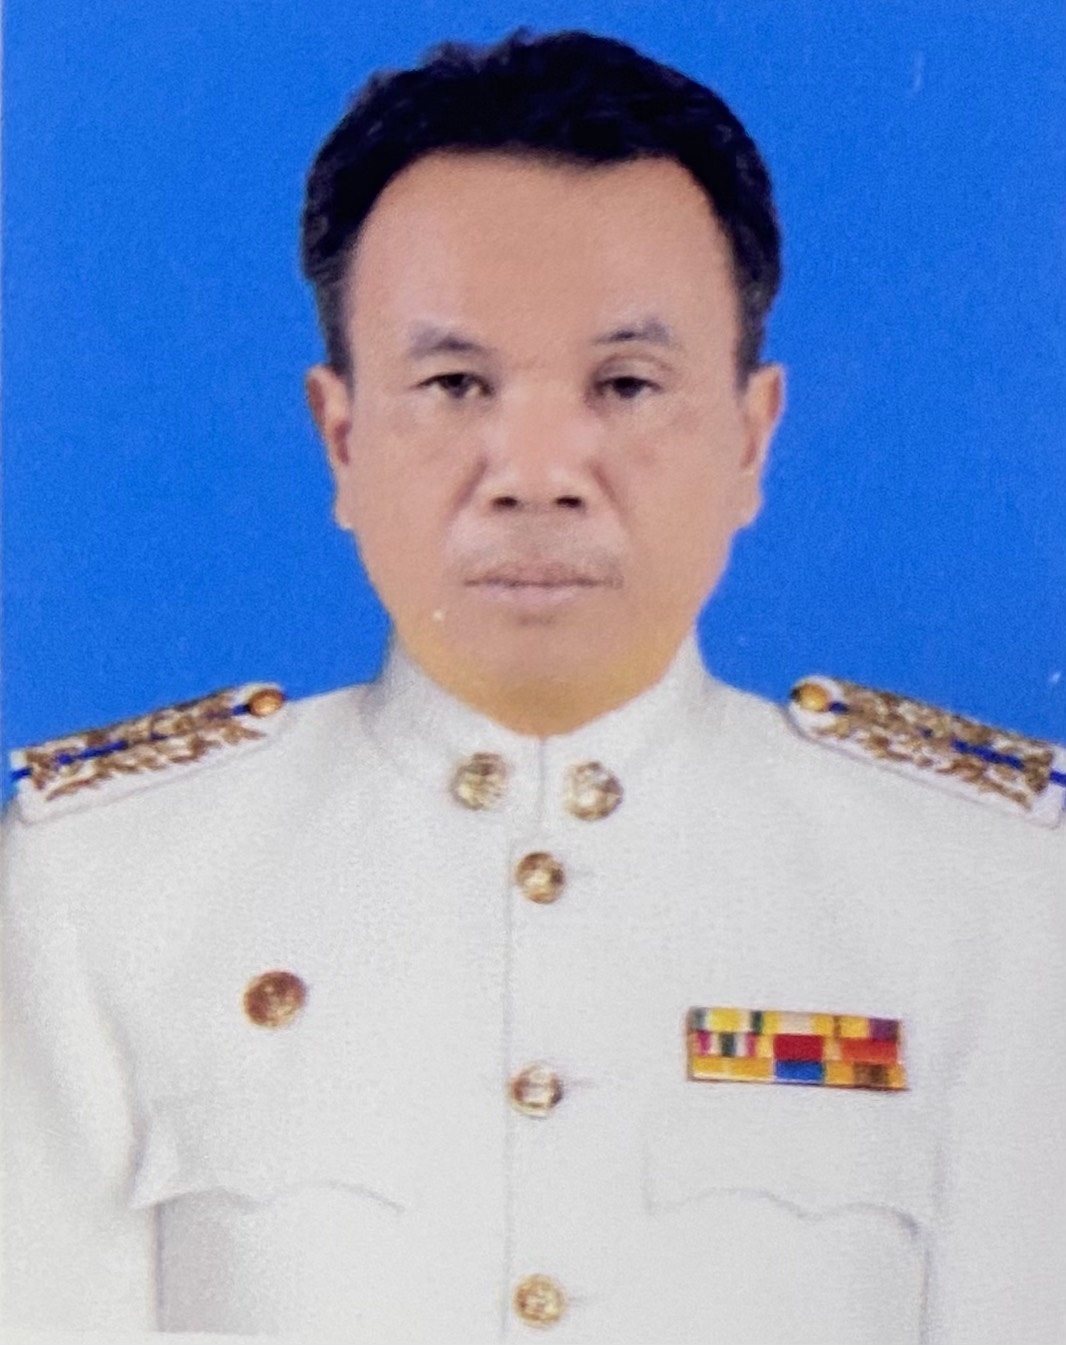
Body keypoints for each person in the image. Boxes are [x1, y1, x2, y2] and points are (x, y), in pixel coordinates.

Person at [3, 28, 1064, 1345]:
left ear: (751, 437)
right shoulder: (106, 887)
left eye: (626, 383)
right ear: (342, 436)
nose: (538, 471)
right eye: (455, 383)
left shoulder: (983, 889)